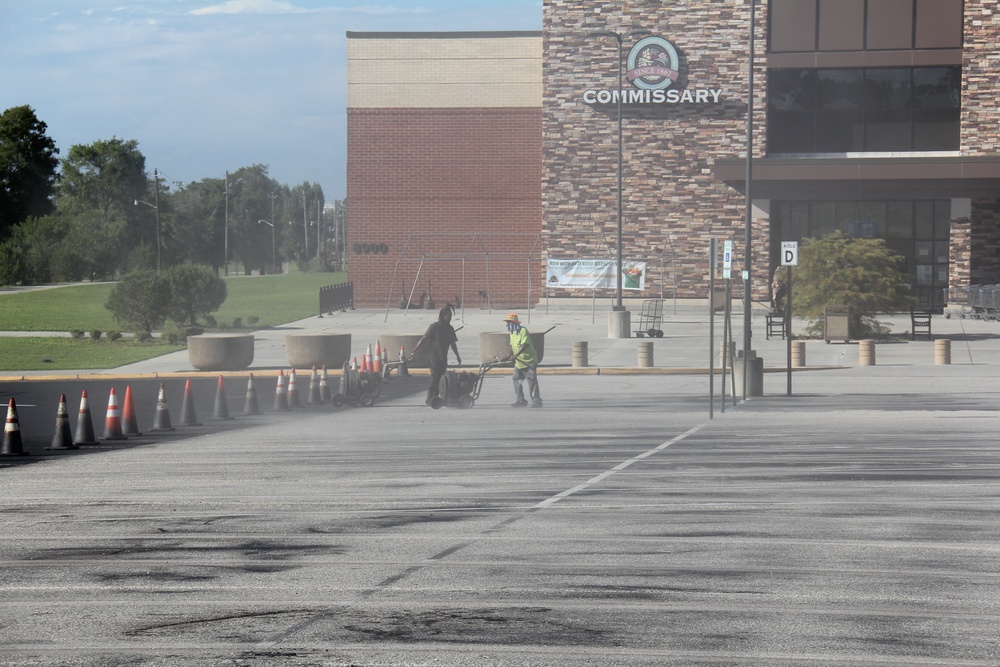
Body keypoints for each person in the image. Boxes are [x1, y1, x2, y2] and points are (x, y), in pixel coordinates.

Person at [412, 305, 461, 406]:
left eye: (451, 316)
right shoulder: (434, 327)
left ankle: (437, 398)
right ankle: (430, 399)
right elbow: (423, 339)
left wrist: (457, 356)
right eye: (448, 316)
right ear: (443, 316)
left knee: (442, 378)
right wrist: (414, 351)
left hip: (443, 356)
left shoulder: (450, 328)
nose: (450, 318)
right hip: (433, 356)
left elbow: (453, 344)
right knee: (435, 377)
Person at [501, 313, 542, 408]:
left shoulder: (523, 330)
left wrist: (515, 356)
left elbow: (525, 345)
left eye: (508, 322)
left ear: (514, 322)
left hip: (529, 361)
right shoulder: (512, 332)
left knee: (531, 380)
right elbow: (513, 346)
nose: (507, 324)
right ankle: (521, 400)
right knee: (516, 379)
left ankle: (536, 400)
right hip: (519, 362)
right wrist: (508, 355)